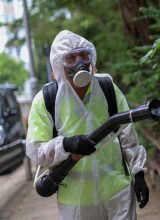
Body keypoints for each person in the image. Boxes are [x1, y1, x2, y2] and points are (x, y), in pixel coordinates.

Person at [26, 30, 149, 220]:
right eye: (71, 58)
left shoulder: (107, 87)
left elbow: (127, 135)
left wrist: (138, 173)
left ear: (92, 57)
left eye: (84, 55)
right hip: (76, 200)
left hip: (117, 190)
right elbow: (36, 150)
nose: (79, 62)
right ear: (59, 65)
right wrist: (66, 144)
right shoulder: (45, 100)